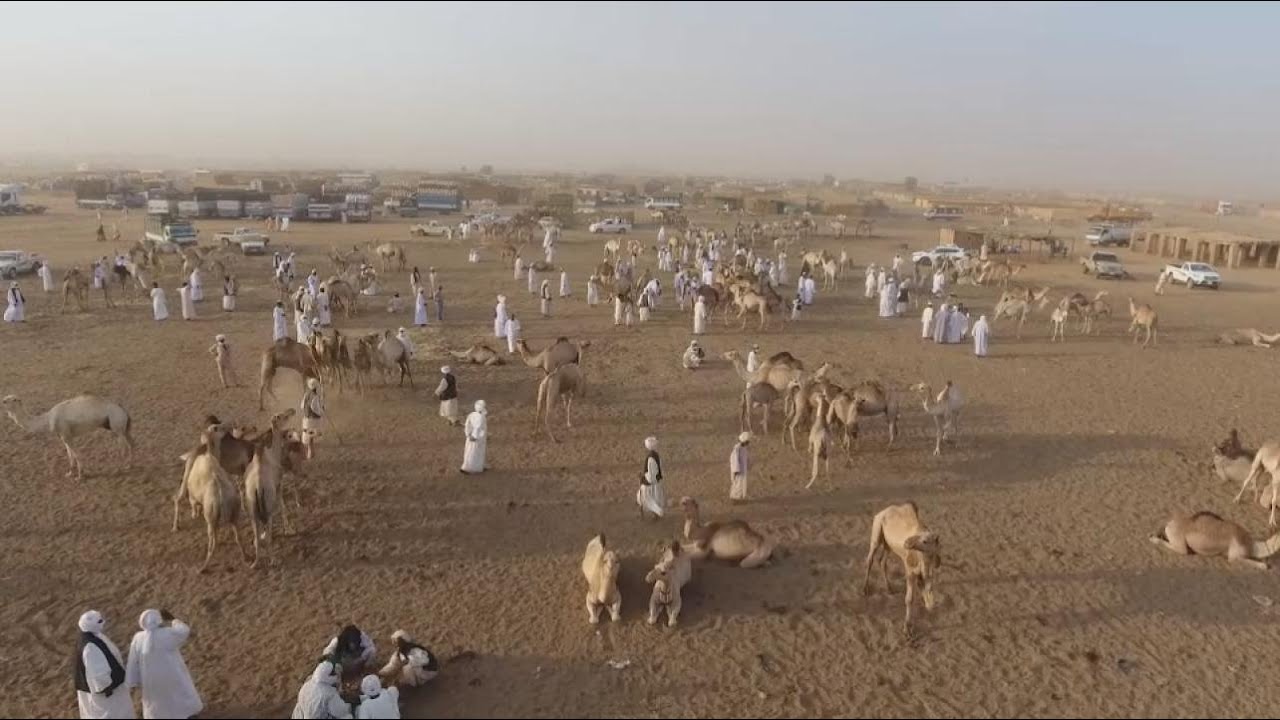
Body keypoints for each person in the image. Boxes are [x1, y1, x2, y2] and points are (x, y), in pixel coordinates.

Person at [125, 609, 202, 720]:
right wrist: (173, 620)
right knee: (178, 696)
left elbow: (133, 661)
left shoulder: (138, 638)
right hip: (172, 674)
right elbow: (184, 630)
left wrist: (132, 680)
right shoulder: (167, 633)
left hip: (151, 679)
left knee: (158, 704)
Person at [75, 611, 135, 720]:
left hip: (110, 694)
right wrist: (110, 689)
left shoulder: (95, 637)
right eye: (99, 621)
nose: (102, 623)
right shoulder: (90, 647)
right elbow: (99, 679)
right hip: (107, 698)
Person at [637, 436, 665, 520]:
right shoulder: (657, 456)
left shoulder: (650, 459)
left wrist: (642, 477)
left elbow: (651, 475)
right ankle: (655, 514)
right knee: (655, 498)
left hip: (651, 483)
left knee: (643, 497)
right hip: (657, 481)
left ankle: (654, 514)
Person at [461, 400, 487, 474]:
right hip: (477, 438)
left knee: (469, 451)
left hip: (470, 437)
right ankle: (472, 468)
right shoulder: (481, 417)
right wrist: (474, 436)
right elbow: (478, 428)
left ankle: (467, 466)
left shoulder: (471, 414)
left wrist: (468, 434)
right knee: (475, 452)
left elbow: (467, 425)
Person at [301, 378, 324, 460]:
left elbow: (302, 406)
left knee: (309, 436)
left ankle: (311, 453)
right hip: (312, 420)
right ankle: (310, 454)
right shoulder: (315, 396)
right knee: (311, 437)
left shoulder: (306, 394)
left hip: (306, 418)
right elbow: (314, 408)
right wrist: (321, 411)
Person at [729, 432, 750, 502]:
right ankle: (735, 499)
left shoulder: (743, 448)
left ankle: (740, 499)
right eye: (747, 441)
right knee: (737, 485)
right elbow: (734, 460)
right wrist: (736, 470)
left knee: (741, 485)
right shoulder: (737, 449)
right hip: (738, 471)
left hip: (742, 470)